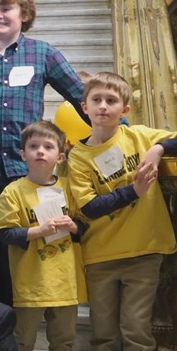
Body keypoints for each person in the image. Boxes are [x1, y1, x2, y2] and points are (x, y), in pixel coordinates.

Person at [0, 0, 87, 305]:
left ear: (24, 15)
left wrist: (121, 130)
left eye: (6, 8)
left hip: (24, 176)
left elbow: (81, 97)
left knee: (23, 254)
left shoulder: (42, 53)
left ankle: (22, 328)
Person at [67, 71, 177, 350]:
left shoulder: (139, 136)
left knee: (136, 331)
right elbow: (89, 207)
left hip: (144, 251)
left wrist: (158, 149)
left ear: (124, 109)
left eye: (111, 100)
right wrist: (133, 192)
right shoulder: (78, 157)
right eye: (97, 99)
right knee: (103, 334)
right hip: (100, 256)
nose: (103, 106)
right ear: (85, 107)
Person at [0, 121, 86, 351]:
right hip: (30, 284)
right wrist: (39, 231)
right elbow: (5, 233)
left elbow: (85, 227)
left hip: (66, 284)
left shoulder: (69, 188)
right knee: (22, 341)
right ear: (23, 154)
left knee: (64, 341)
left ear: (60, 157)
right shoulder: (13, 191)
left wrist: (74, 227)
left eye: (48, 146)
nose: (41, 151)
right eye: (34, 146)